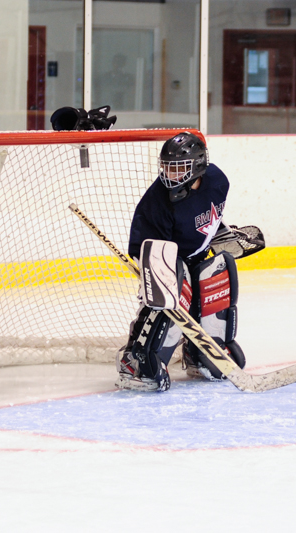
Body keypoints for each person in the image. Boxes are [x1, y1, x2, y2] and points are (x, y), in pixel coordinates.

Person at [116, 132, 246, 391]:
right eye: (167, 167)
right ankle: (138, 361)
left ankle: (204, 354)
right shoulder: (157, 202)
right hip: (168, 260)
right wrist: (158, 279)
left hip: (198, 255)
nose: (169, 174)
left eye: (178, 168)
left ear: (198, 165)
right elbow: (146, 249)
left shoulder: (218, 181)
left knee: (219, 275)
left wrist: (220, 232)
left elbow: (209, 212)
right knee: (170, 305)